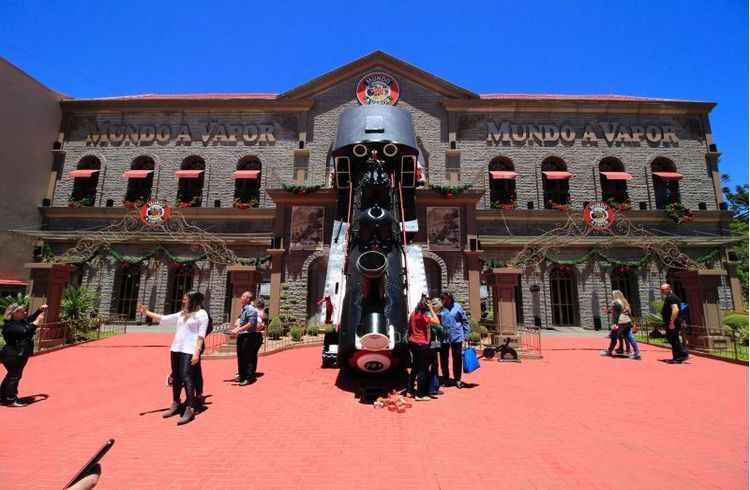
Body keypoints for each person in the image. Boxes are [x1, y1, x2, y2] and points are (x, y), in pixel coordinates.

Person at [138, 291, 208, 425]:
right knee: (176, 377)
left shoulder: (202, 314)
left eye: (186, 298)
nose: (183, 300)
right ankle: (176, 403)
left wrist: (197, 352)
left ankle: (190, 407)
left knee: (187, 377)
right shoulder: (183, 313)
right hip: (176, 349)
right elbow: (164, 318)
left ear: (193, 300)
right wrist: (146, 312)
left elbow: (201, 336)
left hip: (189, 350)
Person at [1, 303, 47, 407]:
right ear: (15, 313)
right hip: (12, 354)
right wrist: (36, 323)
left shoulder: (19, 322)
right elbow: (25, 331)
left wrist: (39, 310)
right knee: (14, 376)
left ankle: (3, 396)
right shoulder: (10, 326)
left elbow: (29, 320)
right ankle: (10, 399)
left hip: (18, 353)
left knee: (12, 375)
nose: (25, 313)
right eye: (22, 311)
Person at [407, 295, 440, 401]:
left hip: (413, 342)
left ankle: (409, 390)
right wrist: (431, 309)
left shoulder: (413, 313)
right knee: (423, 369)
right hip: (421, 343)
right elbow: (437, 322)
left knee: (415, 368)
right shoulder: (422, 315)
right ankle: (420, 394)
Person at [438, 292, 470, 389]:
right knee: (444, 359)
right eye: (443, 299)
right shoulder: (440, 308)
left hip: (456, 336)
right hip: (444, 337)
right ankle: (446, 379)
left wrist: (466, 334)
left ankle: (457, 379)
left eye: (446, 299)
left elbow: (464, 320)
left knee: (457, 358)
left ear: (450, 298)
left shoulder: (457, 307)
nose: (444, 300)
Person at [601, 290, 640, 360]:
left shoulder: (615, 302)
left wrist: (615, 324)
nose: (611, 296)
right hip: (627, 322)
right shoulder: (624, 301)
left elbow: (617, 314)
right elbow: (623, 311)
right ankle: (637, 353)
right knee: (630, 337)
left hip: (620, 322)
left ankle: (609, 351)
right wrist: (610, 311)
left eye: (612, 294)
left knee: (614, 337)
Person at [230, 292, 259, 385]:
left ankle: (249, 377)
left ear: (248, 299)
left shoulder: (251, 310)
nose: (240, 297)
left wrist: (238, 329)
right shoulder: (244, 309)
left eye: (243, 296)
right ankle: (242, 375)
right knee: (241, 356)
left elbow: (251, 323)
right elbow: (242, 322)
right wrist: (236, 329)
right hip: (242, 335)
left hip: (249, 336)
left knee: (247, 357)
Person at [661, 283, 689, 363]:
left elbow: (675, 310)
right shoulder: (670, 297)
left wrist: (671, 322)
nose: (662, 291)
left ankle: (683, 355)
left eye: (663, 290)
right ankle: (677, 357)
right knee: (672, 339)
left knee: (673, 339)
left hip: (674, 322)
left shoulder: (671, 297)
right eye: (661, 290)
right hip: (673, 322)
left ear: (668, 289)